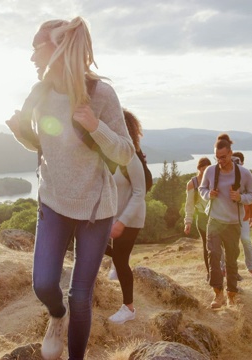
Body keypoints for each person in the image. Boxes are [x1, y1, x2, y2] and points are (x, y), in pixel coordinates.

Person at [5, 17, 134, 360]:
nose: (32, 57)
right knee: (44, 284)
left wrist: (95, 126)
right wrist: (21, 132)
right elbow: (47, 146)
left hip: (95, 210)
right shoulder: (41, 93)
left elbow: (124, 152)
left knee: (80, 297)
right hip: (53, 202)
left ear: (58, 48)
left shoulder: (100, 94)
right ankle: (56, 317)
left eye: (37, 48)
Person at [199, 134, 252, 308]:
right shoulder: (210, 171)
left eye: (223, 157)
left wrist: (240, 197)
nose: (220, 161)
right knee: (214, 256)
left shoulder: (244, 173)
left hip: (233, 223)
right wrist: (208, 194)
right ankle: (218, 294)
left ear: (230, 153)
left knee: (231, 260)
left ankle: (232, 293)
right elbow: (202, 189)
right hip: (215, 220)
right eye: (217, 158)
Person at [105, 109, 146, 324]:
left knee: (121, 261)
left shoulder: (131, 158)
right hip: (115, 217)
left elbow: (140, 192)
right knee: (101, 247)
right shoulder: (112, 155)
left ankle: (128, 308)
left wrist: (122, 222)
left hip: (131, 218)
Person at [184, 157, 212, 281]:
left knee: (220, 245)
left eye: (208, 169)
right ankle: (210, 273)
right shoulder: (192, 184)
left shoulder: (214, 181)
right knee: (207, 246)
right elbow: (189, 205)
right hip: (201, 217)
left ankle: (223, 270)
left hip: (216, 216)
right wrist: (188, 222)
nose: (206, 171)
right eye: (204, 169)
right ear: (199, 169)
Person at [232, 151, 252, 276]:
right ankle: (227, 267)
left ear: (242, 162)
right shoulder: (226, 175)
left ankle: (250, 267)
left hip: (244, 216)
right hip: (230, 216)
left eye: (238, 161)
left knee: (246, 240)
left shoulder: (246, 175)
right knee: (229, 243)